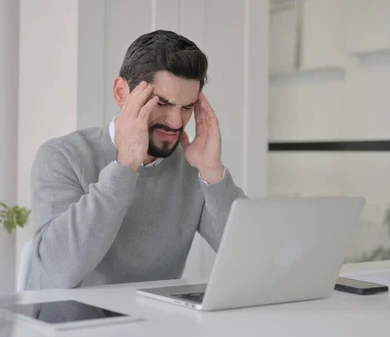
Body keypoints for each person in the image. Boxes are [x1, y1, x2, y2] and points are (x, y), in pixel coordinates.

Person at [26, 30, 246, 290]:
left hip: (153, 320)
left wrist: (212, 172)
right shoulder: (62, 156)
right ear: (121, 92)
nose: (176, 122)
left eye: (187, 107)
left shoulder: (192, 166)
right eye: (161, 103)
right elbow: (56, 272)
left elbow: (249, 258)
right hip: (69, 321)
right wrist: (125, 165)